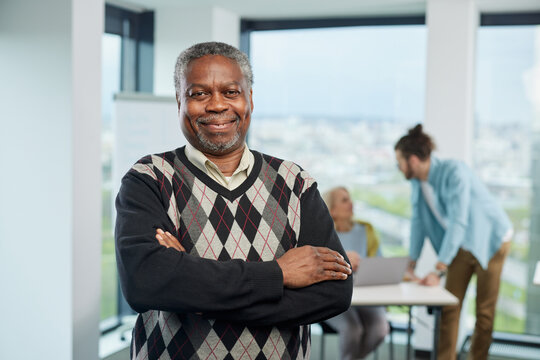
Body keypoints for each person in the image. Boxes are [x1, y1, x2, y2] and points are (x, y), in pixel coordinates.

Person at [114, 41, 353, 360]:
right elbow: (143, 283)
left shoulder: (295, 183)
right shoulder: (149, 178)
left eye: (230, 92)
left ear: (249, 99)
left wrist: (194, 297)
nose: (216, 105)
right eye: (198, 94)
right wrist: (278, 274)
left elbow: (334, 293)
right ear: (179, 101)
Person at [394, 124, 513, 360]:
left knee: (484, 313)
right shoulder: (418, 183)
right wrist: (411, 263)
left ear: (414, 160)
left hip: (491, 241)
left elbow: (459, 222)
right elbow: (419, 222)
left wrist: (439, 269)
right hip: (461, 245)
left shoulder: (455, 172)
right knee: (449, 307)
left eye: (399, 161)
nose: (398, 167)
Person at [322, 186, 389, 360]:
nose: (351, 203)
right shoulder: (323, 235)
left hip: (366, 295)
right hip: (335, 296)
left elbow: (378, 264)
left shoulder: (366, 230)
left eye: (350, 198)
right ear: (332, 210)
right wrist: (344, 261)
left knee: (380, 329)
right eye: (344, 200)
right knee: (353, 330)